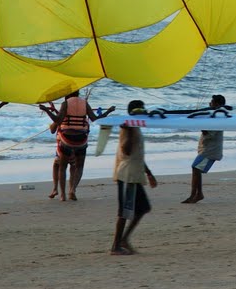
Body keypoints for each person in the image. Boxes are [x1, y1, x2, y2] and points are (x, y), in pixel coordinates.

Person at [39, 92, 115, 201]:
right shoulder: (85, 103)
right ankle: (72, 190)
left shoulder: (65, 104)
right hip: (81, 140)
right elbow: (95, 119)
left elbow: (58, 120)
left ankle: (62, 195)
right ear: (78, 93)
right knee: (79, 166)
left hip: (67, 140)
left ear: (67, 94)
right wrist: (109, 111)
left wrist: (46, 110)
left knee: (62, 167)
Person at [111, 99, 158, 255]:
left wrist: (149, 173)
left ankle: (124, 239)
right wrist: (129, 131)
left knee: (143, 208)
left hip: (135, 174)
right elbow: (127, 151)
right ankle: (115, 246)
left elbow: (138, 155)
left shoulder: (135, 127)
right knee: (124, 212)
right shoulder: (128, 128)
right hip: (127, 175)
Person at [182, 94, 226, 204]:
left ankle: (194, 195)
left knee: (195, 168)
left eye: (211, 102)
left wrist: (199, 121)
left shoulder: (219, 117)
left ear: (217, 104)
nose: (209, 104)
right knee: (196, 169)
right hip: (207, 148)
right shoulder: (214, 115)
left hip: (211, 150)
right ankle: (198, 194)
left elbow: (208, 133)